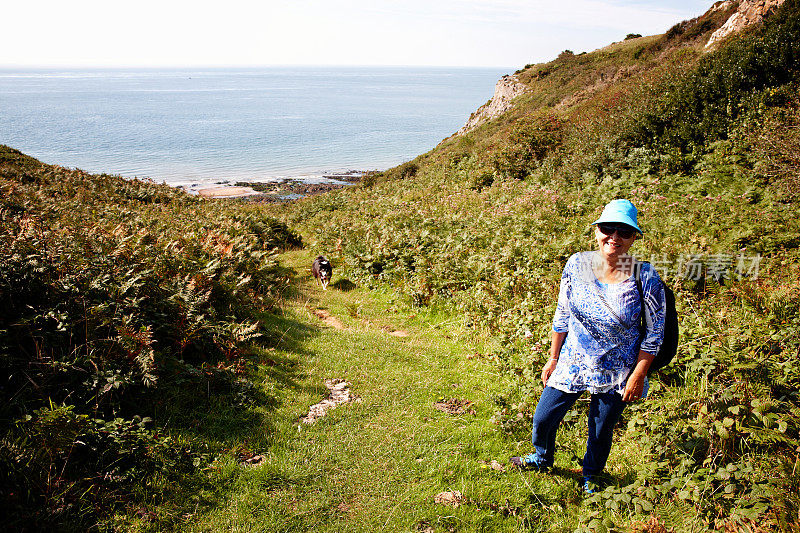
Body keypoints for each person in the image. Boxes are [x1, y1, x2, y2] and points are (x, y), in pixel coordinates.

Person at [510, 199, 666, 493]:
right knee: (544, 417)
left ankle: (591, 475)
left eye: (624, 232)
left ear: (634, 238)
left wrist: (638, 375)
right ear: (597, 231)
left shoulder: (645, 277)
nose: (614, 237)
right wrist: (553, 358)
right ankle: (542, 458)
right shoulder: (577, 264)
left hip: (617, 368)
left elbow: (655, 333)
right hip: (572, 359)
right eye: (608, 229)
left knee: (600, 428)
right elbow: (562, 313)